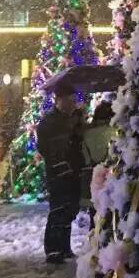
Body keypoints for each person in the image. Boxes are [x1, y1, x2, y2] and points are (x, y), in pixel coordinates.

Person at [37, 82, 85, 264]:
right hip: (58, 173)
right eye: (69, 101)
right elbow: (47, 148)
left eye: (74, 101)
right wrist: (61, 163)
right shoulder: (50, 122)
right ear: (59, 100)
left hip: (73, 171)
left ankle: (64, 247)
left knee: (69, 210)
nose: (72, 104)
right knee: (58, 209)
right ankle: (53, 250)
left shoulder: (71, 120)